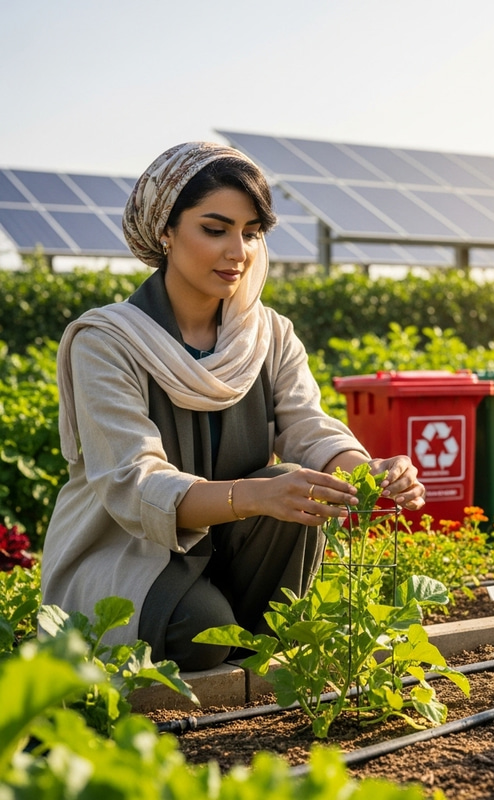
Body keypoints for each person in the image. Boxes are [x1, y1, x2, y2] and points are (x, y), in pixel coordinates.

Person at [41, 141, 425, 671]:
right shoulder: (108, 341)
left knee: (295, 481)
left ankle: (249, 643)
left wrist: (368, 472)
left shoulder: (265, 334)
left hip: (230, 547)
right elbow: (134, 482)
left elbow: (307, 427)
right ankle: (224, 630)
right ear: (166, 232)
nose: (238, 253)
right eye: (215, 229)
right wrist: (257, 495)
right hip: (130, 554)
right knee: (199, 631)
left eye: (251, 234)